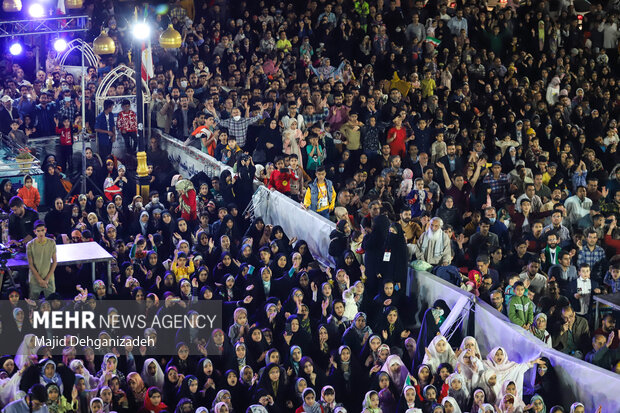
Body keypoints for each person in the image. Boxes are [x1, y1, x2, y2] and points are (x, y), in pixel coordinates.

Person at [26, 220, 57, 300]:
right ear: (35, 232)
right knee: (33, 302)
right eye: (38, 231)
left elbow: (54, 262)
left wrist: (46, 279)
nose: (41, 233)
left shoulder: (51, 243)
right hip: (35, 279)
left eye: (42, 230)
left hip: (48, 277)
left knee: (52, 301)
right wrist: (40, 280)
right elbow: (31, 264)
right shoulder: (30, 245)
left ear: (45, 230)